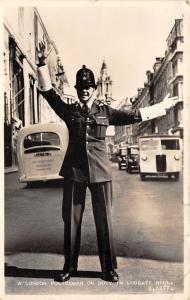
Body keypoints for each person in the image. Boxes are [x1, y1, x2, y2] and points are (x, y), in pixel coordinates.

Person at [36, 40, 177, 283]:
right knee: (71, 220)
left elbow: (134, 115)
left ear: (94, 88)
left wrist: (164, 107)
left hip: (100, 171)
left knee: (105, 221)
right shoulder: (70, 111)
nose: (84, 90)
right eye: (81, 87)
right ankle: (69, 267)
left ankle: (108, 268)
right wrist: (40, 65)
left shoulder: (105, 111)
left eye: (88, 86)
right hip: (74, 171)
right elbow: (50, 95)